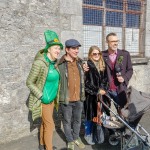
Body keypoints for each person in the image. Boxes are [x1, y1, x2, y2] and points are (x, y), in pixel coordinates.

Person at [26, 30, 63, 150]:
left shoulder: (54, 63)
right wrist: (41, 96)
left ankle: (42, 144)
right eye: (56, 48)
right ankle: (49, 148)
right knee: (50, 125)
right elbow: (29, 82)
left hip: (51, 100)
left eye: (59, 49)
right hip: (44, 101)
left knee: (45, 123)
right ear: (48, 49)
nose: (58, 51)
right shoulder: (39, 63)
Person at [57, 39, 85, 150]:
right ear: (67, 49)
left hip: (79, 98)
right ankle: (69, 140)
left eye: (77, 48)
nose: (77, 51)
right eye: (74, 48)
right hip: (66, 99)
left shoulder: (80, 62)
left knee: (78, 120)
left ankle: (76, 137)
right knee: (67, 121)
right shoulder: (60, 64)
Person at [84, 46, 108, 145]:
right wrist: (97, 90)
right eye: (94, 54)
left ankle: (97, 133)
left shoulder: (102, 65)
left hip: (101, 96)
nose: (97, 55)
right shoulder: (87, 66)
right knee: (89, 117)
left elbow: (106, 79)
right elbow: (86, 83)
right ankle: (87, 134)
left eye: (98, 53)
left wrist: (103, 89)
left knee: (99, 116)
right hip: (90, 97)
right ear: (90, 55)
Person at [102, 32, 133, 109]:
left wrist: (124, 78)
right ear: (107, 42)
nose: (115, 43)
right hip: (106, 90)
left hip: (120, 89)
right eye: (113, 41)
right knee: (106, 113)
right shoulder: (101, 55)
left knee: (122, 112)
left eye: (117, 41)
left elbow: (130, 70)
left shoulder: (124, 54)